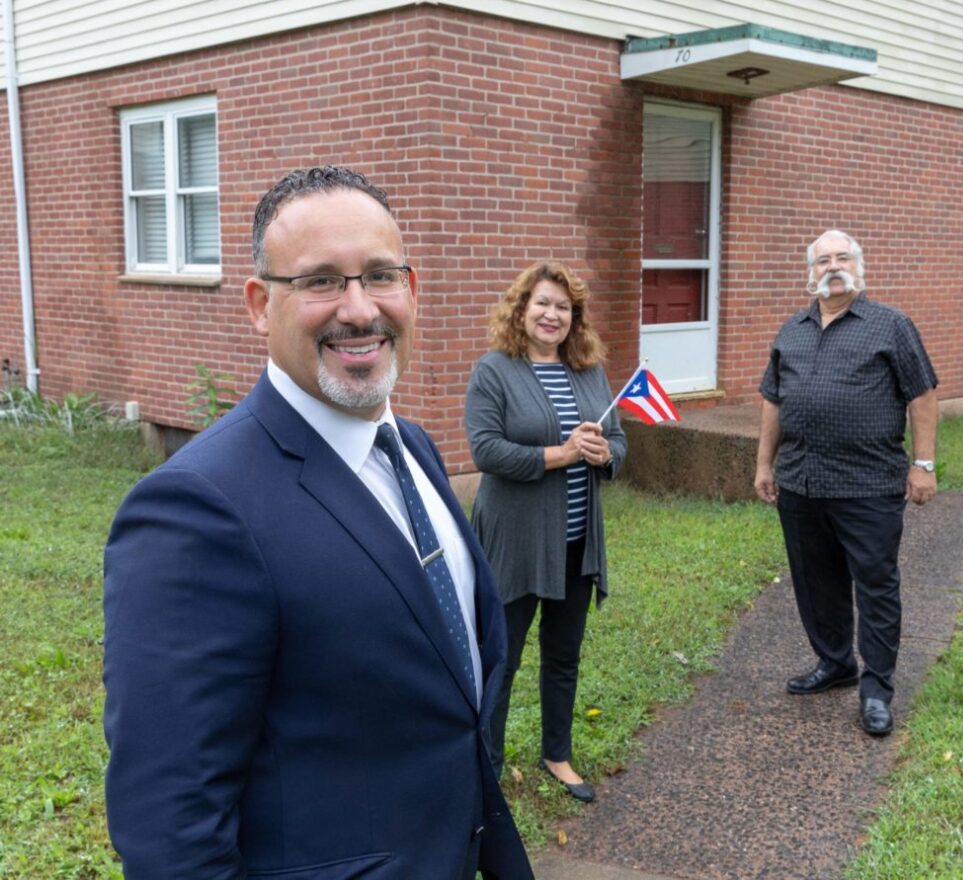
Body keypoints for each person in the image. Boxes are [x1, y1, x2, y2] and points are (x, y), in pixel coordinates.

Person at [102, 166, 533, 880]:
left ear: (412, 289)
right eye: (322, 281)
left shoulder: (413, 449)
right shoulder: (195, 509)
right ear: (257, 304)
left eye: (379, 276)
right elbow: (169, 826)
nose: (359, 309)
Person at [754, 229, 939, 737]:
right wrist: (764, 465)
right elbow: (773, 400)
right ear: (809, 273)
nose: (832, 266)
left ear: (859, 267)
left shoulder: (891, 326)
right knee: (816, 583)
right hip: (801, 482)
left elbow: (922, 396)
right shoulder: (791, 330)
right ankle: (835, 663)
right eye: (822, 260)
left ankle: (877, 689)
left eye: (842, 258)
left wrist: (924, 463)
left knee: (875, 585)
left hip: (868, 484)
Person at [464, 261, 627, 803]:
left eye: (563, 307)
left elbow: (619, 442)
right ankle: (485, 766)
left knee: (563, 653)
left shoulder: (589, 371)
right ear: (522, 309)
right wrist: (561, 454)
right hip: (514, 542)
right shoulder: (494, 370)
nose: (552, 315)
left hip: (577, 543)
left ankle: (557, 754)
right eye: (542, 304)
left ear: (573, 318)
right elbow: (485, 450)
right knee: (501, 659)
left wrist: (605, 454)